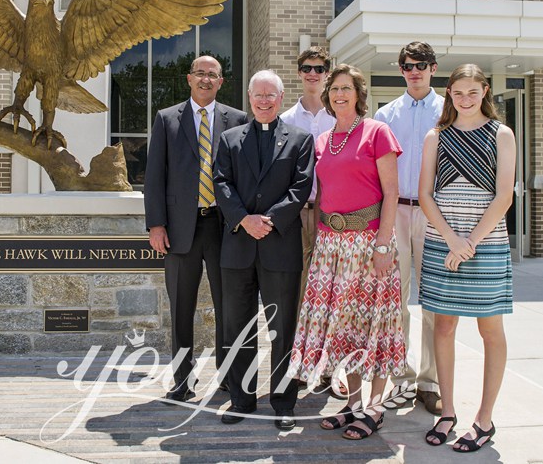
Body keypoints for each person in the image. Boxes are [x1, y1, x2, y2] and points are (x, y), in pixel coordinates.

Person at [288, 64, 406, 441]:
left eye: (346, 88)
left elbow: (390, 193)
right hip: (331, 246)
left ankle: (374, 408)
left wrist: (384, 244)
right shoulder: (323, 141)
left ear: (358, 94)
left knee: (376, 325)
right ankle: (354, 404)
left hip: (370, 242)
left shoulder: (377, 132)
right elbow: (322, 197)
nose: (340, 95)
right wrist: (322, 244)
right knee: (345, 328)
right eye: (334, 89)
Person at [418, 64, 515, 452]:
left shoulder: (501, 134)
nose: (465, 99)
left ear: (485, 91)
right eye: (458, 93)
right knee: (443, 328)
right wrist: (450, 239)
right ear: (449, 94)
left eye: (473, 92)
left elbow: (504, 195)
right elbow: (425, 194)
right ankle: (448, 411)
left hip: (486, 244)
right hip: (443, 240)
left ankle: (484, 419)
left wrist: (469, 242)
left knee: (490, 331)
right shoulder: (436, 136)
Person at [213, 69, 314, 431]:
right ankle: (241, 399)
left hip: (279, 247)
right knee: (237, 327)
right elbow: (221, 182)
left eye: (271, 95)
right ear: (250, 98)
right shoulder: (229, 138)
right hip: (238, 246)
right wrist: (244, 219)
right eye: (259, 95)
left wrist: (266, 220)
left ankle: (284, 403)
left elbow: (301, 187)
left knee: (282, 328)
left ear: (280, 98)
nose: (265, 101)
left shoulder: (300, 139)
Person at [144, 55, 248, 402]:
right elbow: (155, 176)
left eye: (213, 75)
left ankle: (228, 378)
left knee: (228, 307)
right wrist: (156, 225)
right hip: (179, 230)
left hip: (223, 228)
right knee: (181, 308)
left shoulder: (237, 120)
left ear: (221, 82)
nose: (206, 79)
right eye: (200, 74)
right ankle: (182, 381)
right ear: (189, 79)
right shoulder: (166, 119)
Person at [373, 41, 443, 415]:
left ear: (433, 67)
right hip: (396, 213)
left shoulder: (448, 110)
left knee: (432, 301)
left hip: (434, 214)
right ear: (400, 70)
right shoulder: (385, 115)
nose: (414, 70)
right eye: (407, 65)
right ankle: (401, 377)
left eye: (421, 64)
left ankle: (429, 382)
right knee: (394, 301)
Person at [279, 47, 336, 295]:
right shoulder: (286, 119)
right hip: (297, 213)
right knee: (297, 281)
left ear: (327, 73)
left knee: (330, 279)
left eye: (319, 69)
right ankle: (297, 335)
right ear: (299, 73)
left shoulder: (339, 117)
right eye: (306, 68)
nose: (313, 73)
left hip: (332, 211)